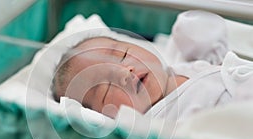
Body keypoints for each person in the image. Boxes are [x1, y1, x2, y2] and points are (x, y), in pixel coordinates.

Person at [51, 11, 253, 120]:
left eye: (123, 55)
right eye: (106, 89)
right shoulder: (158, 124)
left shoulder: (176, 65)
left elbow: (206, 40)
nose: (125, 72)